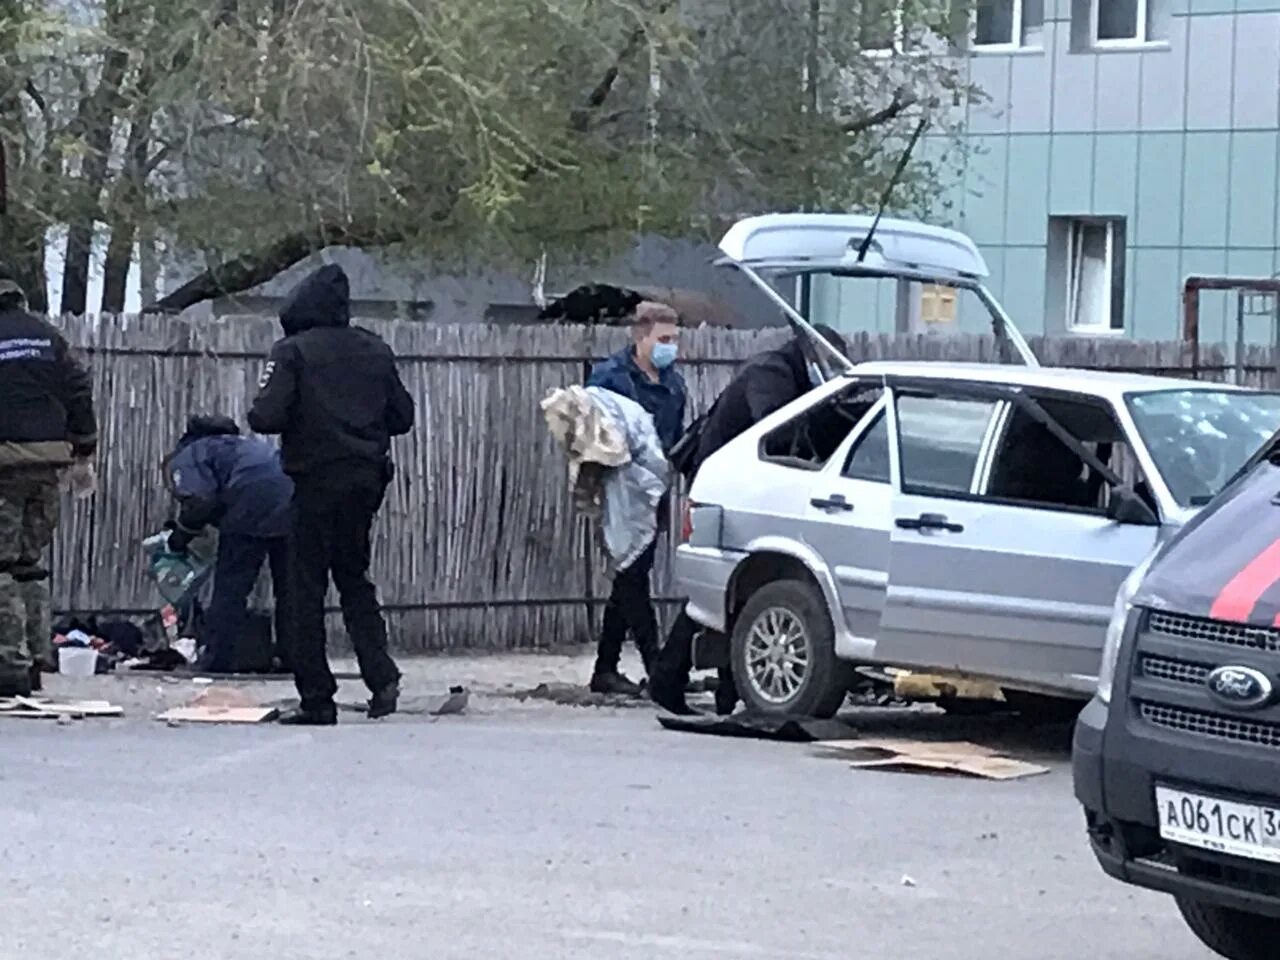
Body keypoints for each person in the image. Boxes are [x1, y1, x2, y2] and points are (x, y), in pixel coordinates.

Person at [649, 324, 847, 716]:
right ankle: (673, 679)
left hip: (748, 484)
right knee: (724, 585)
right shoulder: (771, 374)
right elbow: (772, 426)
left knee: (738, 588)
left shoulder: (791, 375)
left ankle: (713, 688)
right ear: (810, 354)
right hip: (725, 484)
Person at [248, 264, 415, 725]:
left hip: (315, 477)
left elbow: (266, 416)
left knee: (305, 589)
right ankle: (381, 676)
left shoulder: (292, 352)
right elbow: (402, 416)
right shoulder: (375, 349)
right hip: (366, 479)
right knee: (355, 576)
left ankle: (317, 697)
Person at [0, 270, 97, 696]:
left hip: (3, 463)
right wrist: (85, 447)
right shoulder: (47, 336)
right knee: (29, 563)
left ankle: (8, 665)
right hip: (49, 463)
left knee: (0, 565)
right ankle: (38, 659)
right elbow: (78, 387)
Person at [585, 301, 686, 695]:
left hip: (655, 486)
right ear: (640, 337)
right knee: (633, 573)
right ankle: (656, 664)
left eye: (675, 339)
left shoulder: (673, 382)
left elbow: (673, 435)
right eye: (664, 339)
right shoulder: (611, 378)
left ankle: (605, 668)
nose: (671, 347)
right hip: (621, 487)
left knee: (632, 572)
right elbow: (593, 433)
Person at [165, 415, 295, 674]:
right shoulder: (249, 446)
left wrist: (180, 537)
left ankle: (216, 660)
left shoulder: (192, 452)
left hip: (248, 506)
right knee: (291, 589)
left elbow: (200, 501)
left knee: (231, 589)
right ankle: (294, 658)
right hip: (292, 498)